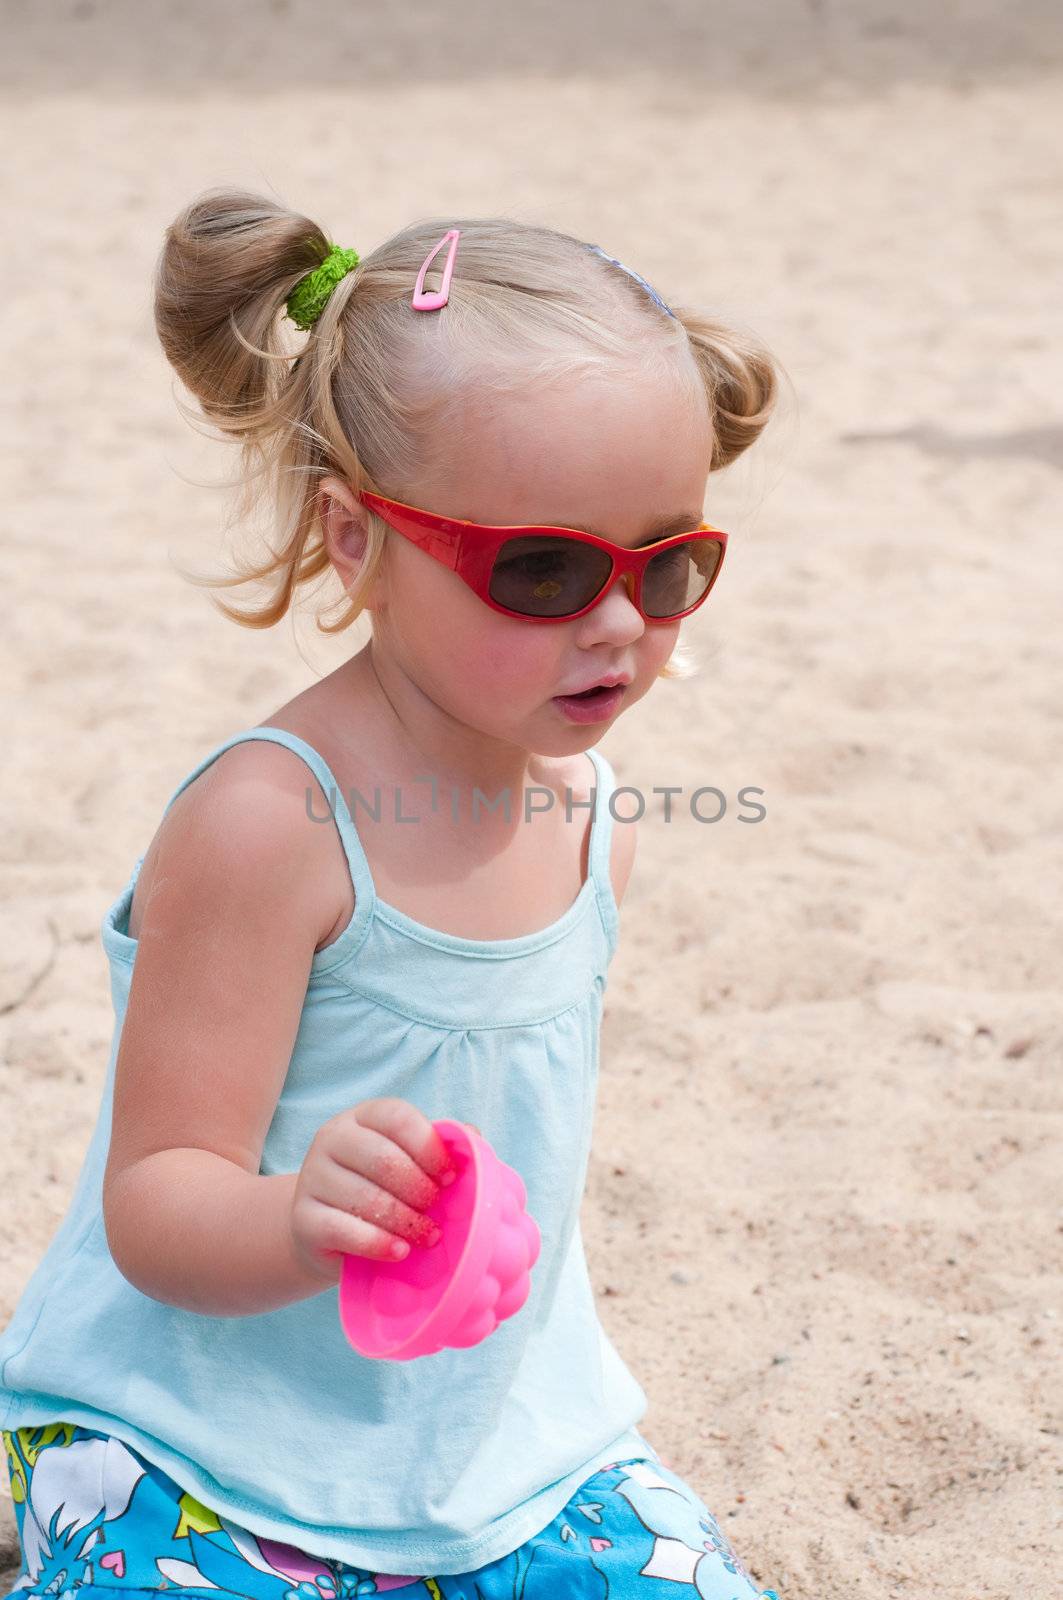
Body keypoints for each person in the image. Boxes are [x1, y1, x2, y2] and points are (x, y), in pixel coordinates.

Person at [0, 191, 784, 1599]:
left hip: (499, 1442)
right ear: (358, 542)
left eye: (669, 567)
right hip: (201, 1446)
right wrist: (301, 1216)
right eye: (543, 569)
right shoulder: (269, 824)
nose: (620, 624)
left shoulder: (593, 809)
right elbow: (159, 1201)